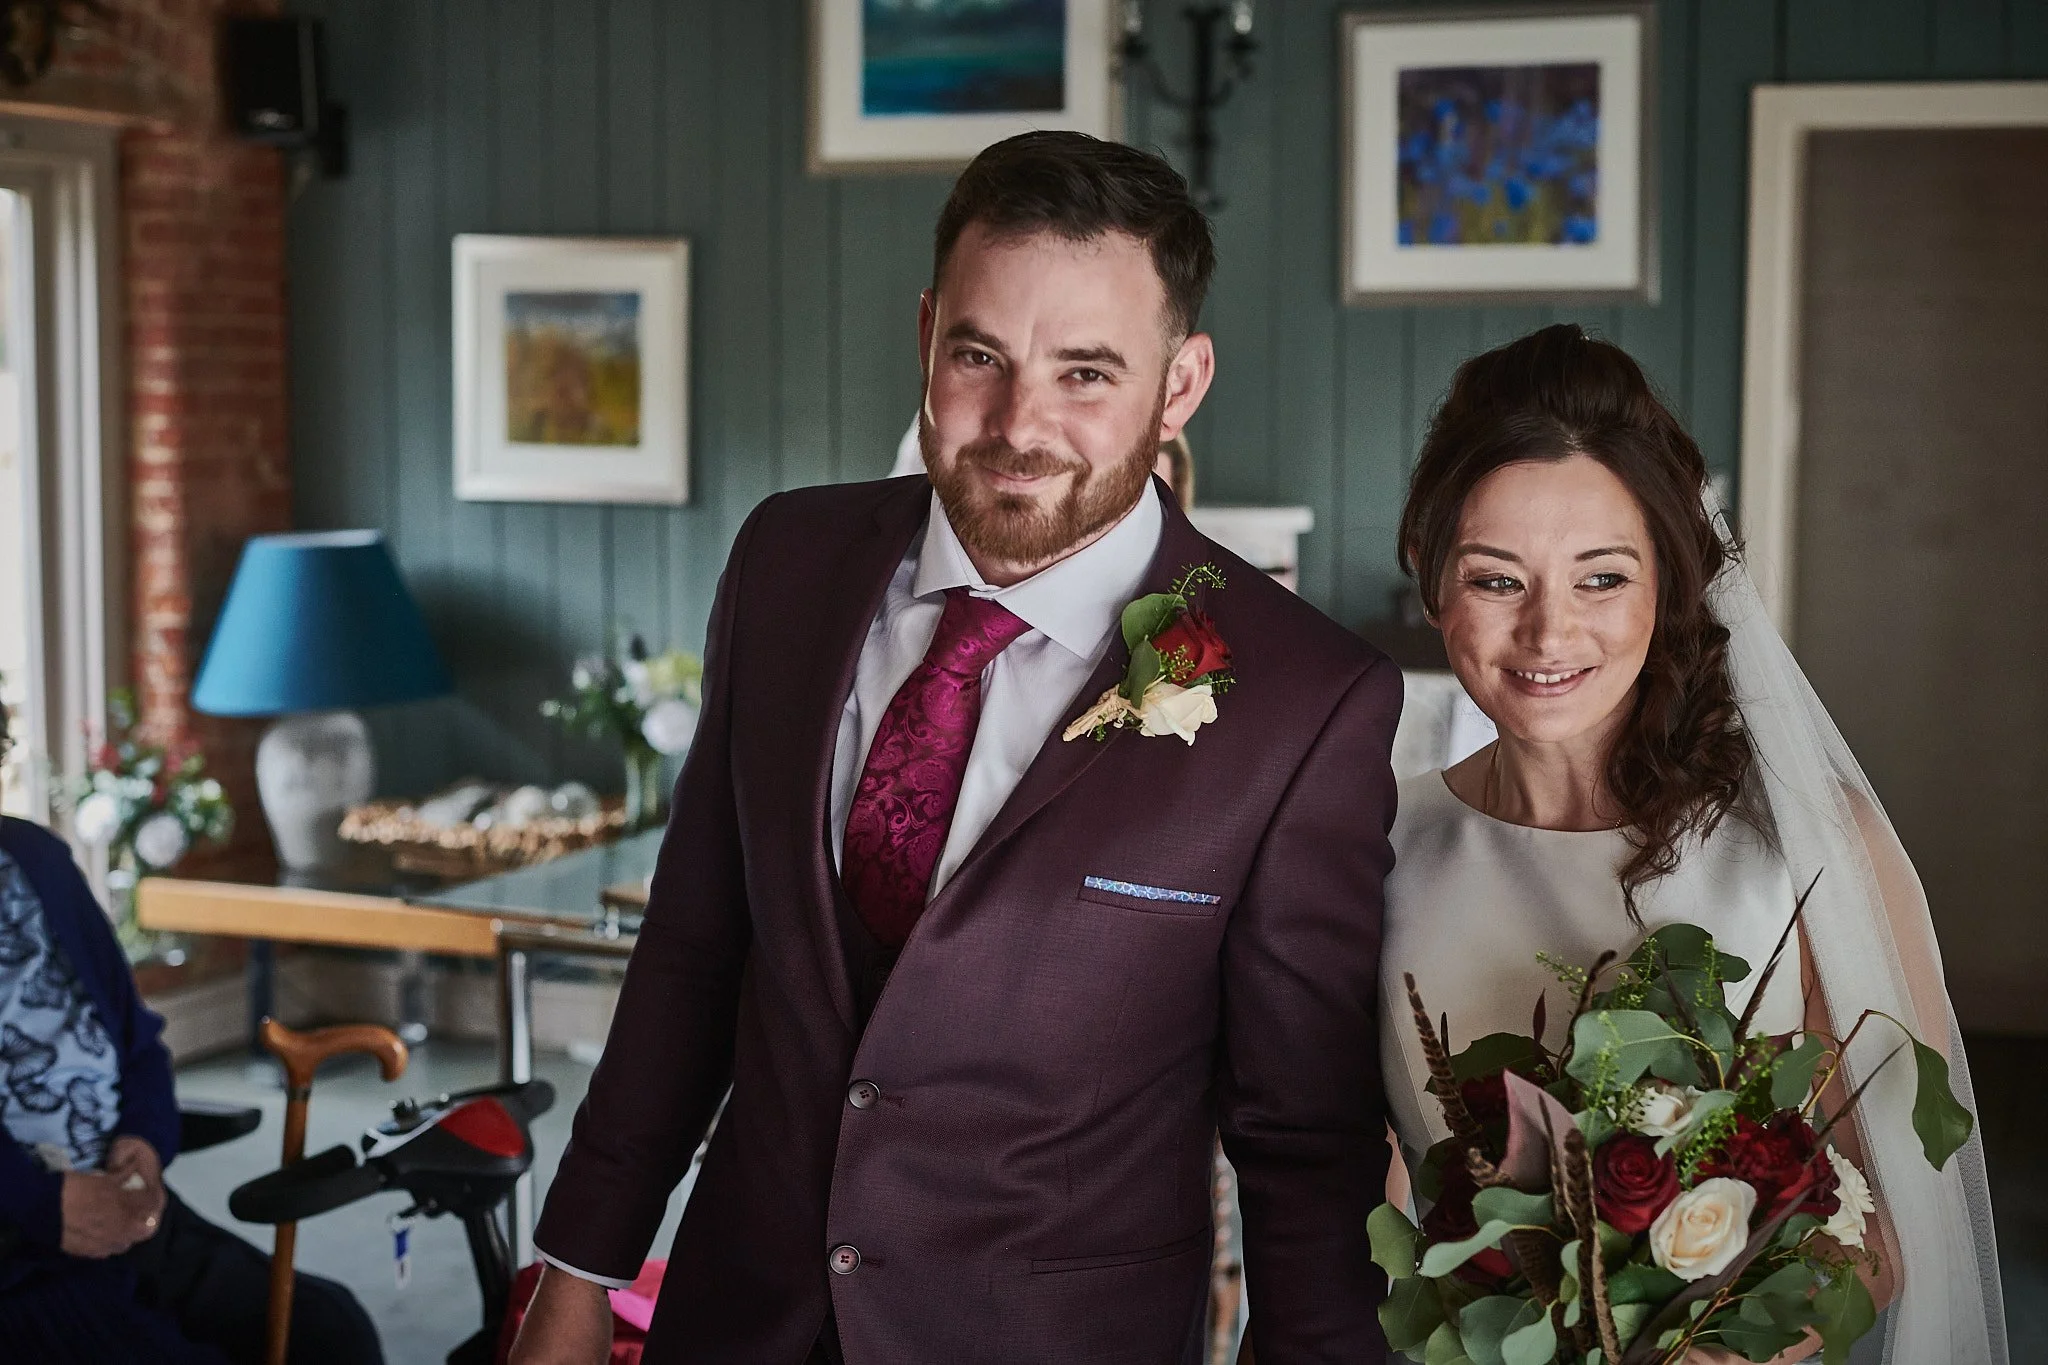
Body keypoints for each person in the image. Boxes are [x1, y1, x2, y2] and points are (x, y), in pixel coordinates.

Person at [512, 131, 1402, 1365]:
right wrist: (578, 1268)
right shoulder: (785, 562)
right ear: (926, 334)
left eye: (1087, 373)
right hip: (737, 1318)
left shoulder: (1302, 697)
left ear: (1180, 381)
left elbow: (1303, 1141)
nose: (1017, 423)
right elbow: (694, 949)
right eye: (980, 355)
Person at [1380, 324, 2005, 1363]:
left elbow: (1888, 1216)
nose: (1545, 634)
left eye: (1599, 579)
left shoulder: (1803, 850)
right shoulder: (1374, 846)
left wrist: (1720, 1348)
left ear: (1669, 582)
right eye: (1496, 580)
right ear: (1427, 571)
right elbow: (1337, 1204)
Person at [0, 815, 385, 1364]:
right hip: (20, 1251)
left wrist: (144, 1139)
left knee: (329, 1334)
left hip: (126, 1207)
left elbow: (139, 1041)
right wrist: (40, 1205)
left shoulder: (33, 857)